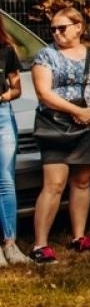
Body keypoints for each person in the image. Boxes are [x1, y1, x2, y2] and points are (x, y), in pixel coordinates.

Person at [29, 6, 90, 262]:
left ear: (79, 27)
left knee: (82, 181)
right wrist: (76, 111)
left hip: (88, 126)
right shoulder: (46, 56)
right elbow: (44, 93)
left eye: (62, 27)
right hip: (55, 127)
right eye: (53, 29)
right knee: (54, 184)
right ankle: (40, 244)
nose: (56, 33)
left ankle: (79, 236)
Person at [0, 23, 23, 266]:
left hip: (3, 115)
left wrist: (3, 96)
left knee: (6, 179)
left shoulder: (6, 50)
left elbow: (17, 89)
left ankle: (10, 244)